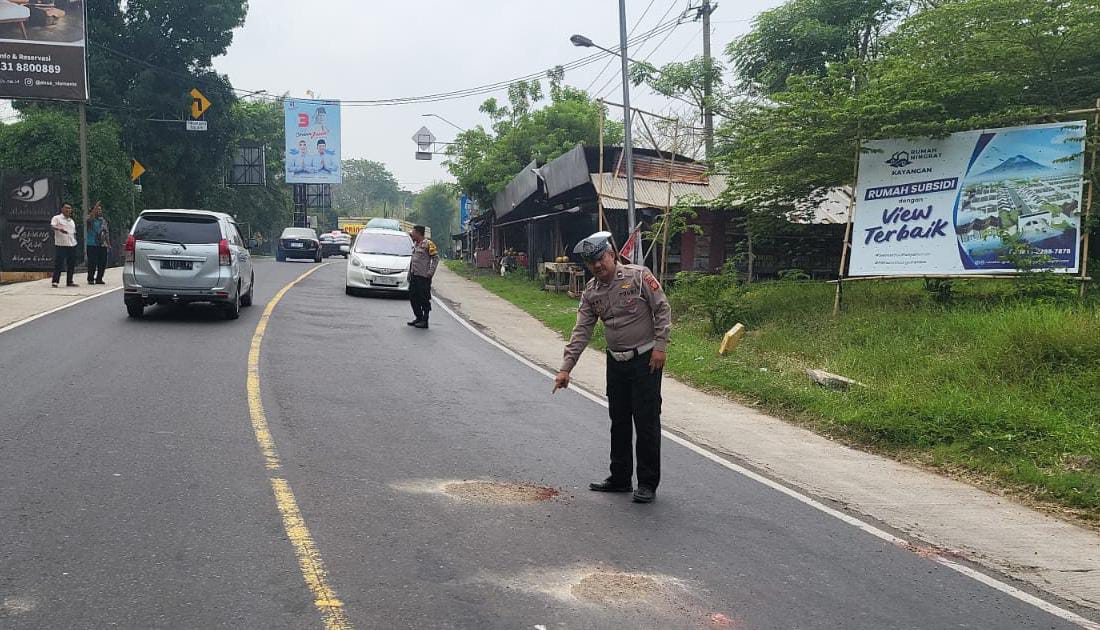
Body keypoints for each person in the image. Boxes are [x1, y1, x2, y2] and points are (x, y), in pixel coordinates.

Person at [553, 231, 671, 504]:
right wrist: (565, 368)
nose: (597, 266)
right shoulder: (591, 292)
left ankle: (647, 483)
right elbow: (581, 330)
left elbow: (662, 309)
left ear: (612, 255)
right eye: (591, 262)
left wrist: (661, 346)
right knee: (618, 421)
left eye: (600, 259)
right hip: (615, 363)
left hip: (645, 361)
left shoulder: (639, 276)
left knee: (646, 421)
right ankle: (619, 478)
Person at [407, 225, 439, 329]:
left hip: (423, 277)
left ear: (419, 233)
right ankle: (418, 317)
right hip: (414, 276)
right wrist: (409, 274)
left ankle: (425, 320)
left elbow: (435, 258)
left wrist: (430, 272)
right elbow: (413, 261)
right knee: (413, 297)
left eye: (414, 232)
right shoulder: (416, 244)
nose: (412, 234)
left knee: (424, 298)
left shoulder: (428, 244)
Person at [50, 203, 78, 288]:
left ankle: (69, 281)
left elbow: (73, 233)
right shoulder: (57, 218)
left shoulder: (71, 221)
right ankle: (55, 281)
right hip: (61, 244)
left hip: (71, 244)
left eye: (69, 208)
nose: (68, 210)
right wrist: (59, 229)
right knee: (59, 263)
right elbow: (52, 226)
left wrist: (75, 241)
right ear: (62, 209)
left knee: (71, 264)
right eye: (66, 208)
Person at [85, 201, 110, 285]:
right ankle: (91, 278)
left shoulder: (103, 220)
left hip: (102, 244)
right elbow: (90, 218)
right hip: (92, 244)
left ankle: (99, 278)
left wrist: (108, 243)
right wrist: (95, 207)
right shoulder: (90, 219)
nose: (99, 211)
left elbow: (106, 232)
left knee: (102, 262)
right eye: (97, 209)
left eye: (100, 209)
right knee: (92, 262)